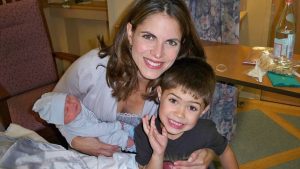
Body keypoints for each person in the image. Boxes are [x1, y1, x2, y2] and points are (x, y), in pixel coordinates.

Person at [53, 0, 215, 167]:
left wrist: (208, 151)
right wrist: (74, 139)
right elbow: (53, 103)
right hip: (86, 161)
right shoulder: (91, 67)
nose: (158, 53)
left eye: (171, 42)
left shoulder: (182, 84)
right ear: (130, 33)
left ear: (181, 45)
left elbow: (198, 126)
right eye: (148, 36)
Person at [135, 57, 239, 169]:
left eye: (192, 107)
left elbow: (225, 151)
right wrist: (158, 154)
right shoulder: (146, 132)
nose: (180, 114)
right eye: (173, 100)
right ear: (160, 94)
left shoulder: (205, 131)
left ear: (203, 110)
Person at [32, 92, 135, 152]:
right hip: (103, 137)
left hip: (102, 124)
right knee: (119, 138)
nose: (72, 105)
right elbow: (97, 130)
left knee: (127, 126)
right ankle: (132, 145)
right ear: (62, 122)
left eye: (68, 99)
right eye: (66, 110)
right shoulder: (77, 125)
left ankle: (132, 133)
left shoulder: (76, 108)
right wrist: (117, 126)